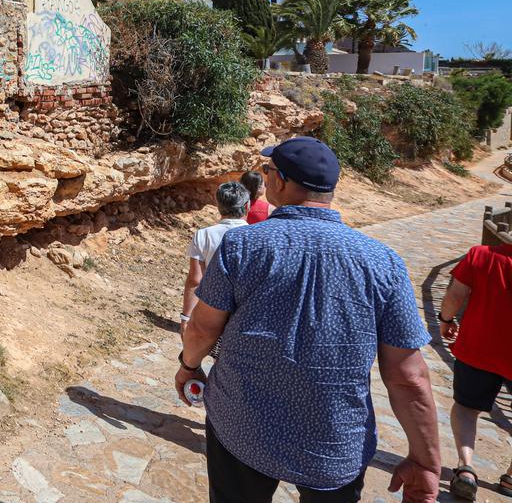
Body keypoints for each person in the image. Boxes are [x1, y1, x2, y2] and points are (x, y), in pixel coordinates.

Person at [176, 136, 441, 502]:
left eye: (267, 172)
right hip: (333, 442)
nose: (265, 178)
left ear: (280, 182)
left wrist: (188, 366)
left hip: (242, 425)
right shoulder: (384, 263)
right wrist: (426, 461)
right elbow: (409, 377)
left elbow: (204, 327)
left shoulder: (242, 247)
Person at [436, 227, 512, 500]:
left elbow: (455, 296)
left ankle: (466, 468)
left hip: (479, 348)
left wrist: (446, 320)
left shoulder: (481, 256)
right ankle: (511, 479)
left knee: (467, 409)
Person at [181, 182, 251, 334]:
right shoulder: (257, 237)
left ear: (218, 206)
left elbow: (195, 280)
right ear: (247, 207)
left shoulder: (204, 235)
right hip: (243, 314)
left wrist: (186, 318)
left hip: (210, 310)